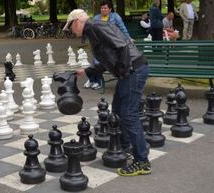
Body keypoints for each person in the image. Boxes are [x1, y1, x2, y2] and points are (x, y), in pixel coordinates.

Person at [64, 9, 151, 176]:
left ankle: (142, 161)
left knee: (129, 114)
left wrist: (125, 73)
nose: (71, 32)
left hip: (133, 70)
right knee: (118, 110)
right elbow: (109, 57)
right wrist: (88, 71)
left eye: (70, 27)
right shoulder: (93, 29)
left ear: (76, 22)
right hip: (130, 70)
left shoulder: (95, 26)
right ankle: (124, 147)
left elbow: (123, 46)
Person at [85, 0, 133, 90]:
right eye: (101, 8)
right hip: (100, 45)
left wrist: (128, 38)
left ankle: (95, 81)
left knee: (101, 62)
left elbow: (123, 28)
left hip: (112, 46)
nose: (103, 10)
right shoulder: (96, 18)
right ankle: (94, 80)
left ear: (110, 9)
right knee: (96, 61)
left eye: (105, 8)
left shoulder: (115, 17)